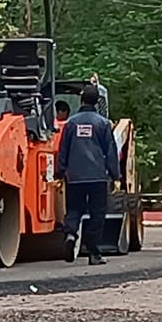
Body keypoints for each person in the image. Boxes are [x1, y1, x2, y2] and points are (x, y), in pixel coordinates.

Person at [56, 82, 121, 264]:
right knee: (97, 214)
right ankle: (93, 253)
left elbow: (64, 150)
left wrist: (60, 172)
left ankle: (70, 234)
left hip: (75, 176)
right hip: (97, 177)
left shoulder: (71, 123)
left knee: (74, 209)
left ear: (82, 100)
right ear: (96, 102)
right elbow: (110, 151)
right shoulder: (103, 124)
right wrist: (115, 176)